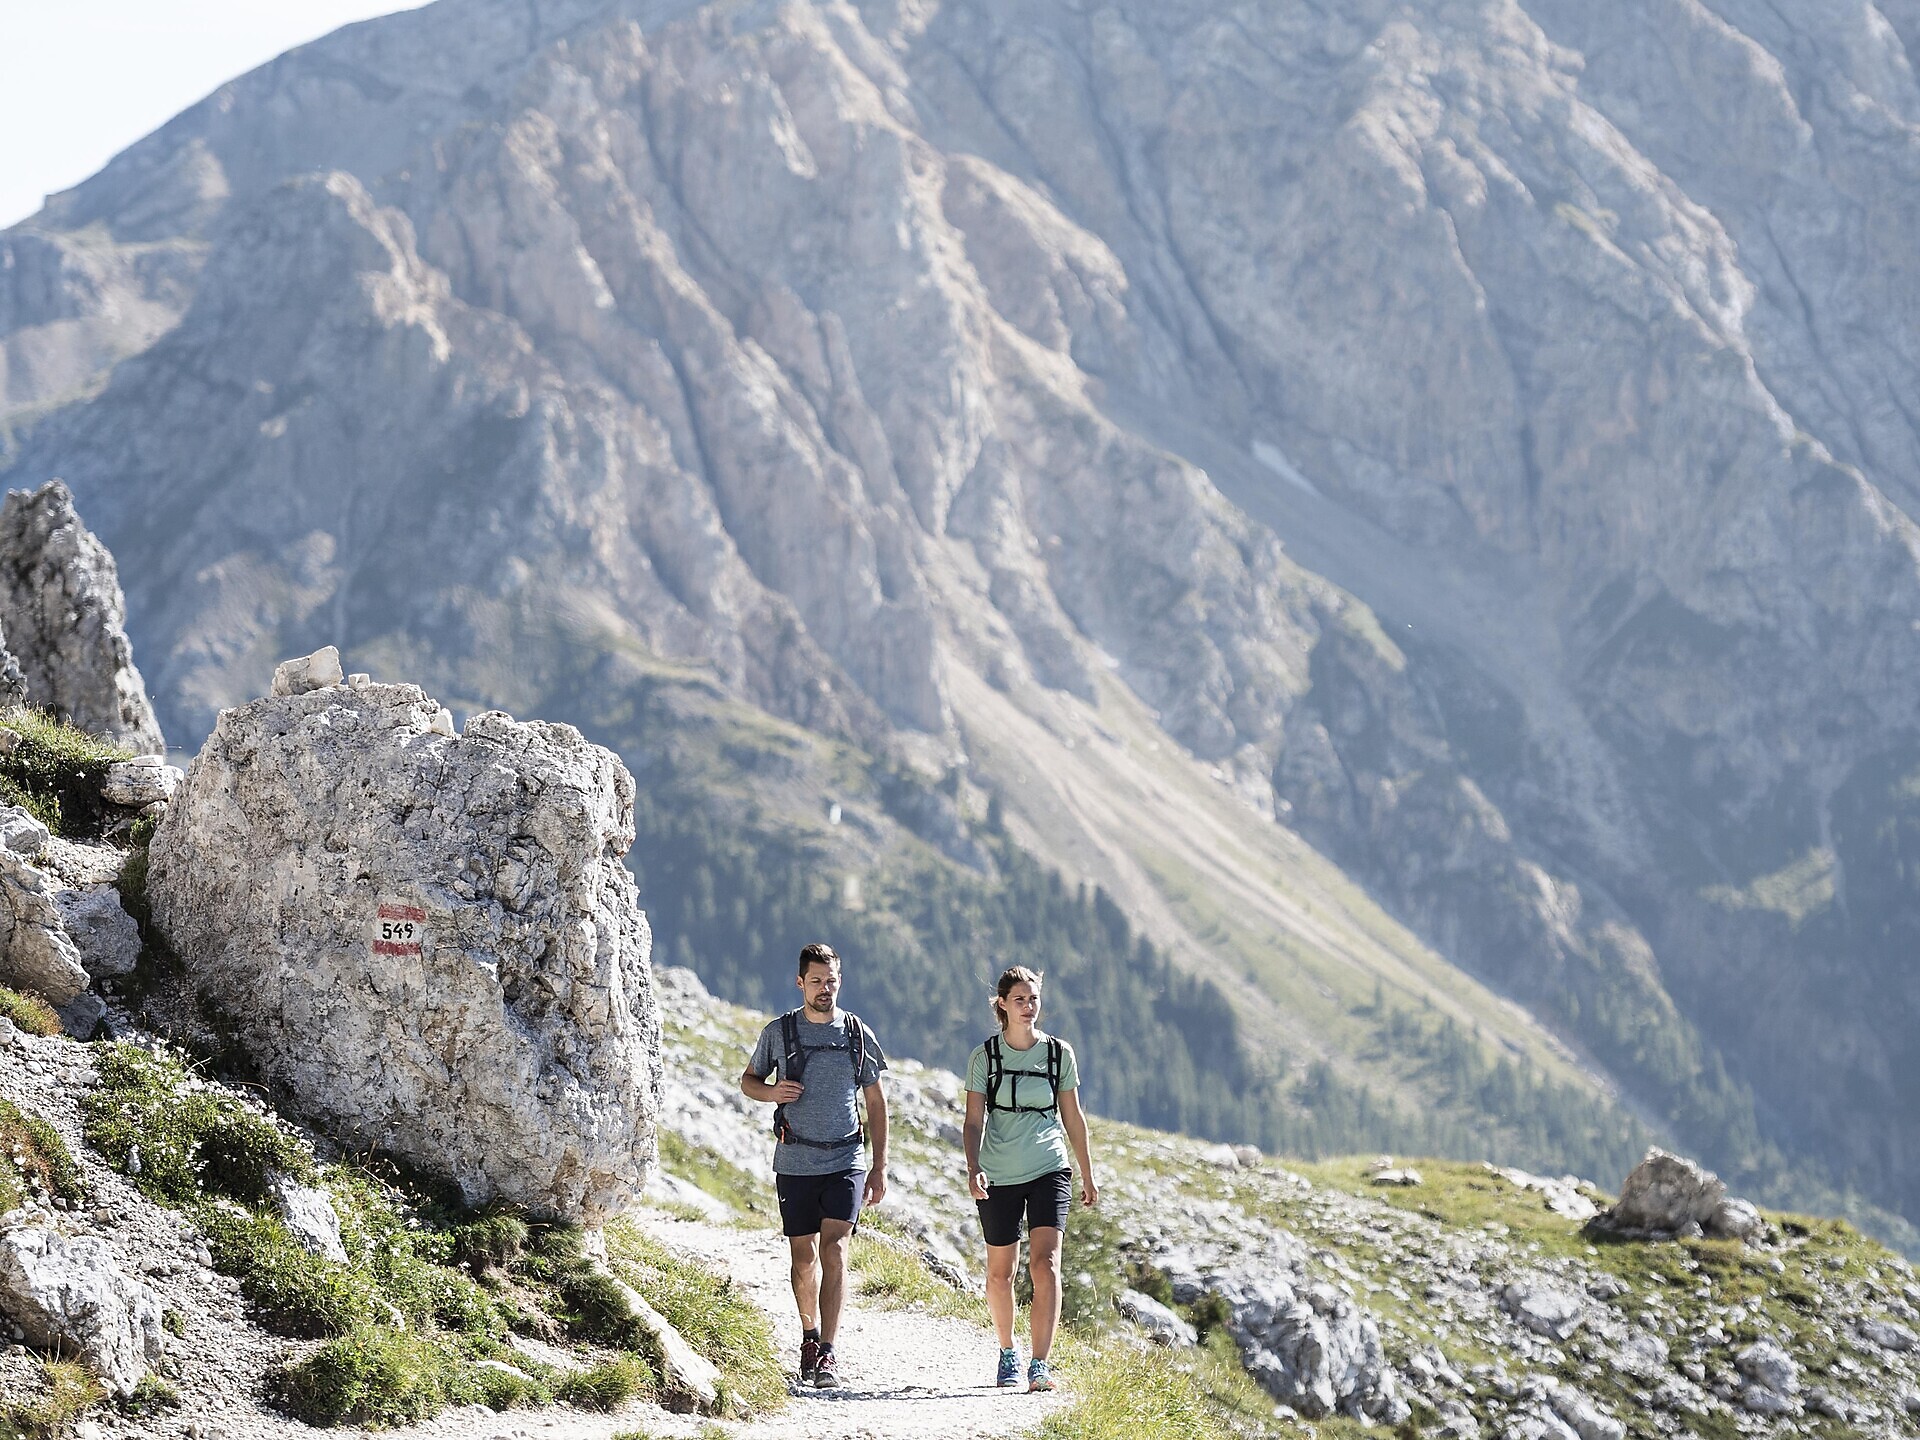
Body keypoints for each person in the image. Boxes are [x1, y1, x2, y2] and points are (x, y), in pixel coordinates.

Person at [740, 943, 888, 1388]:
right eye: (817, 980)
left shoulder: (857, 1033)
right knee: (802, 1258)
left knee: (835, 1250)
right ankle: (807, 1337)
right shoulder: (780, 1032)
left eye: (832, 980)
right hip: (795, 1159)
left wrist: (879, 1166)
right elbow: (749, 1081)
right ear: (800, 982)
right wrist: (772, 1093)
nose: (826, 988)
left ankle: (827, 1351)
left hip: (846, 1158)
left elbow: (876, 1103)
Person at [963, 965, 1097, 1393]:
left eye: (1034, 999)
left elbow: (1073, 1118)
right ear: (1002, 1004)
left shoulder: (1060, 1054)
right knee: (1001, 1272)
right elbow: (971, 1121)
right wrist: (972, 1168)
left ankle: (1040, 1365)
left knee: (1047, 1265)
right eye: (1019, 999)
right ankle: (1007, 1351)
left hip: (1049, 1167)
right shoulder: (985, 1056)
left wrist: (1087, 1175)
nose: (1028, 1007)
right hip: (998, 1172)